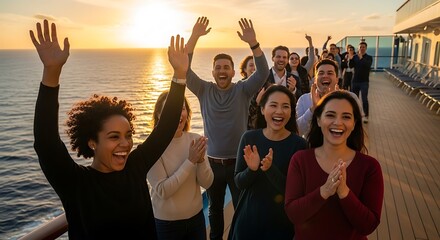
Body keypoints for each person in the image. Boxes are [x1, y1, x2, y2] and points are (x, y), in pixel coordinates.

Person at [31, 19, 187, 239]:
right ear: (92, 142)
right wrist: (51, 73)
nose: (125, 143)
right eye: (114, 136)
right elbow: (46, 143)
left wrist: (180, 75)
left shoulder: (136, 167)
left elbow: (165, 128)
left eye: (128, 135)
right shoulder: (76, 184)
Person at [185, 16, 269, 240]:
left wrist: (254, 43)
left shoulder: (243, 90)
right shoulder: (203, 90)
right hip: (211, 163)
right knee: (214, 209)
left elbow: (262, 72)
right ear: (212, 72)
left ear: (233, 72)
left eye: (226, 67)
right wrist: (194, 37)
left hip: (238, 163)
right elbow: (183, 69)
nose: (222, 71)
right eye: (218, 68)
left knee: (242, 206)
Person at [285, 91, 384, 239]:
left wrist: (344, 192)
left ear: (354, 123)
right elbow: (293, 214)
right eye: (330, 115)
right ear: (318, 120)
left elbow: (368, 225)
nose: (338, 122)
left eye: (346, 117)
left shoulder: (370, 167)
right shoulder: (300, 160)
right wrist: (324, 191)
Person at [228, 85, 307, 240]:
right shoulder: (249, 138)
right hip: (248, 221)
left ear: (291, 112)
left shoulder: (299, 145)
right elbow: (239, 182)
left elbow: (294, 191)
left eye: (285, 106)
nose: (279, 111)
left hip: (281, 224)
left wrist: (270, 169)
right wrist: (252, 169)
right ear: (263, 109)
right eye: (273, 105)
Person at [148, 92, 214, 240]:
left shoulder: (195, 140)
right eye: (170, 109)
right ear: (159, 114)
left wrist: (201, 161)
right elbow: (163, 190)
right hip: (167, 226)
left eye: (182, 108)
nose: (178, 114)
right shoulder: (152, 147)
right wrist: (190, 161)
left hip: (196, 220)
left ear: (187, 112)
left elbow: (207, 183)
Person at [296, 59, 364, 137]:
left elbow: (358, 128)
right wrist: (313, 108)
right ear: (315, 79)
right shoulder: (304, 100)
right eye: (321, 73)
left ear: (337, 79)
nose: (325, 76)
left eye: (330, 73)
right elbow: (299, 130)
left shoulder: (351, 98)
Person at [349, 41, 373, 123]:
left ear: (366, 48)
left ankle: (365, 115)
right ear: (358, 48)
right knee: (355, 99)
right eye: (360, 47)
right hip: (355, 81)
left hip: (364, 82)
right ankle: (355, 115)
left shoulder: (369, 57)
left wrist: (361, 58)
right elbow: (350, 66)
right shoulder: (355, 57)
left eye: (363, 47)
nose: (362, 48)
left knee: (364, 99)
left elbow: (367, 65)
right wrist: (350, 59)